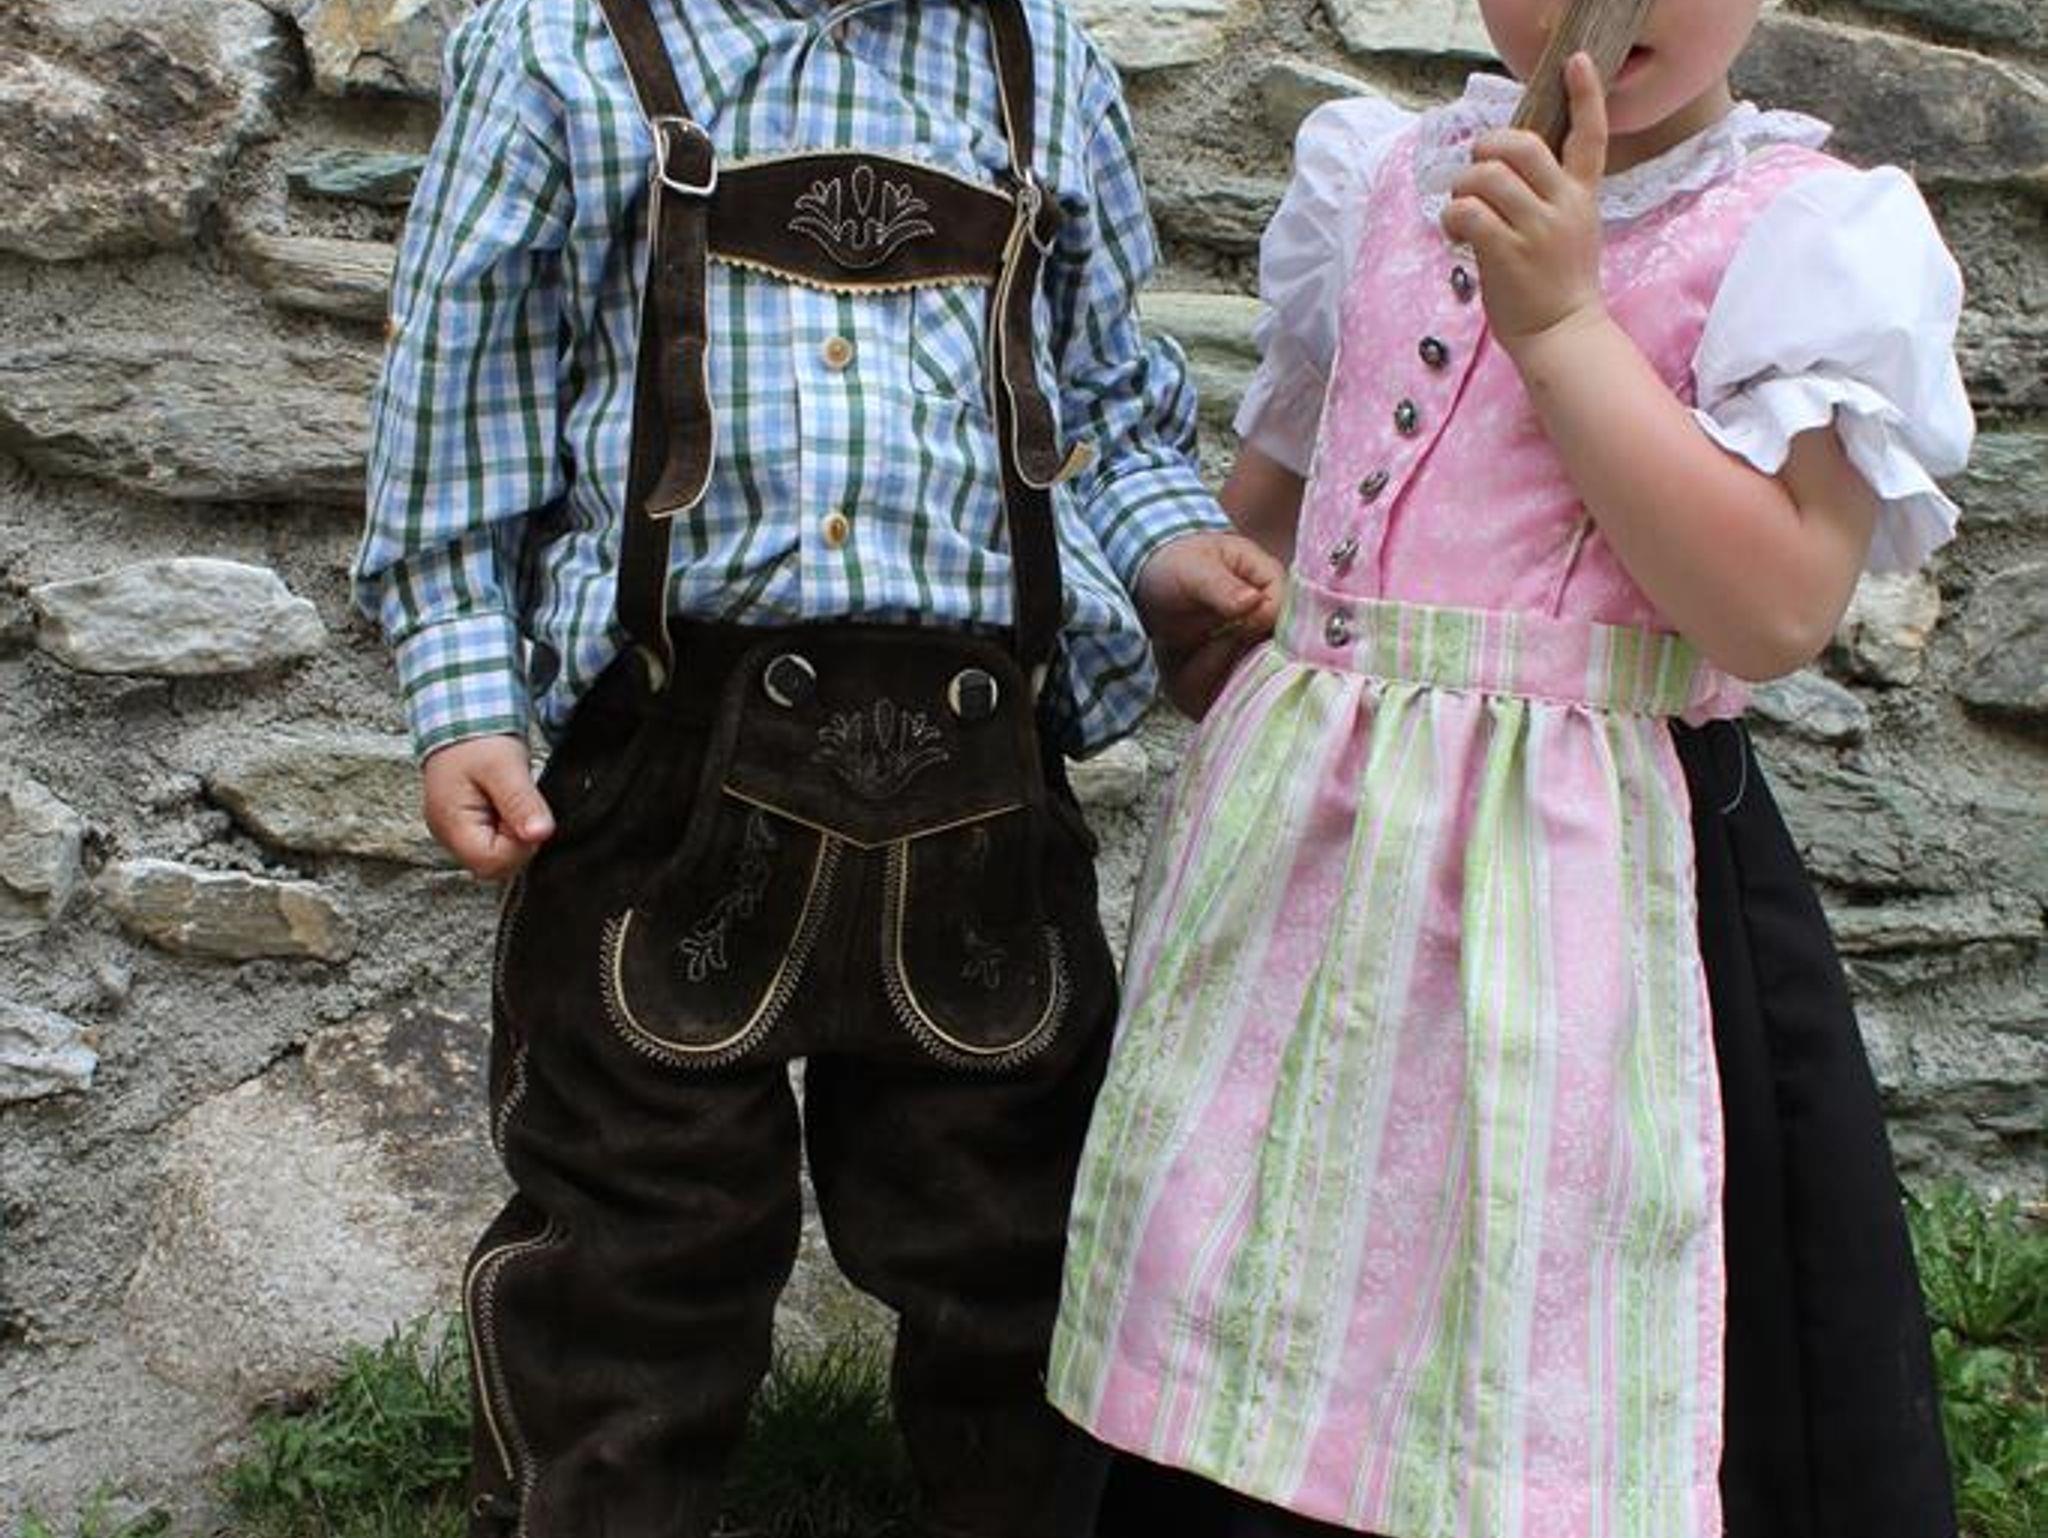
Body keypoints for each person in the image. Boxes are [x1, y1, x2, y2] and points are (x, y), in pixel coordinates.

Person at [353, 1, 1282, 1533]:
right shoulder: (562, 45)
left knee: (1011, 1218)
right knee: (636, 1222)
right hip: (666, 765)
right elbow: (464, 397)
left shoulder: (1041, 61)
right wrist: (465, 694)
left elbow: (1107, 408)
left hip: (979, 780)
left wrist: (1170, 551)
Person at [1046, 2, 1974, 1535]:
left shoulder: (1793, 236)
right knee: (1258, 1244)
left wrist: (1563, 326)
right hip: (1314, 868)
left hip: (1593, 890)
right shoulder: (1377, 180)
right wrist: (1236, 587)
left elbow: (1774, 610)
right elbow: (1286, 503)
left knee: (1557, 1281)